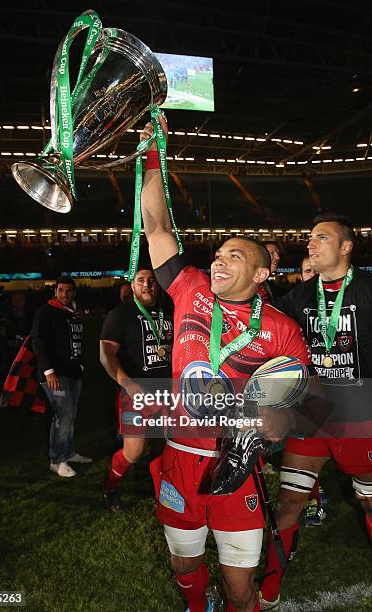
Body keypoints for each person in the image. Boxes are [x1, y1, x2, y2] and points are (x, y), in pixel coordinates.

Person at [139, 117, 315, 612]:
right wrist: (153, 154)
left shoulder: (282, 329)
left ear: (261, 272)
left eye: (233, 256)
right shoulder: (188, 286)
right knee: (185, 567)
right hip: (180, 458)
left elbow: (301, 404)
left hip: (239, 470)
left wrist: (262, 428)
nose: (217, 261)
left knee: (242, 590)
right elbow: (156, 225)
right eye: (218, 253)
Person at [260, 213, 372, 611]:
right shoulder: (300, 297)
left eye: (322, 238)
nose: (311, 243)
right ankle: (269, 591)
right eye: (309, 238)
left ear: (346, 246)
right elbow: (268, 332)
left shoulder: (368, 289)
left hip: (362, 413)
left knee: (370, 501)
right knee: (289, 502)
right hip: (312, 409)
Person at [100, 268, 173, 511]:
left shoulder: (170, 311)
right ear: (132, 285)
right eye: (141, 280)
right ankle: (110, 486)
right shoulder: (120, 315)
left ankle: (161, 498)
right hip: (136, 394)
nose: (147, 284)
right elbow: (106, 355)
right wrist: (127, 383)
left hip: (167, 392)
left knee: (161, 448)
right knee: (134, 451)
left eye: (151, 280)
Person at [31, 277, 91, 478]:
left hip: (73, 371)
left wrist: (80, 364)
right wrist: (49, 371)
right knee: (63, 415)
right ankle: (57, 460)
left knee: (71, 414)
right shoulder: (45, 312)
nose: (64, 294)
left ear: (74, 292)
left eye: (68, 291)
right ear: (55, 291)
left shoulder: (73, 312)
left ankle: (69, 451)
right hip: (55, 374)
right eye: (61, 290)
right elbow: (37, 342)